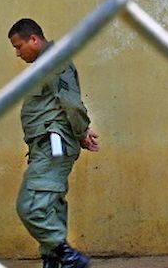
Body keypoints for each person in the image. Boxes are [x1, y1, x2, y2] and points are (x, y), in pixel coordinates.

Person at [8, 18, 99, 268]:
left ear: (34, 39)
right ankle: (53, 260)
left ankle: (68, 256)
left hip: (53, 143)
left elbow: (70, 102)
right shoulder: (47, 64)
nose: (17, 53)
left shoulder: (55, 62)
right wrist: (81, 130)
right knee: (50, 206)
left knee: (31, 205)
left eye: (19, 46)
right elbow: (60, 102)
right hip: (45, 144)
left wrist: (81, 132)